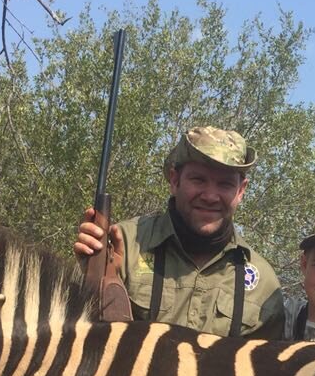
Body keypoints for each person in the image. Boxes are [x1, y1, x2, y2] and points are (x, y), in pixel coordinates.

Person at [74, 126, 284, 338]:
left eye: (225, 184)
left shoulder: (264, 285)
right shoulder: (125, 245)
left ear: (241, 191)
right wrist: (96, 277)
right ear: (175, 181)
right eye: (198, 180)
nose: (210, 196)